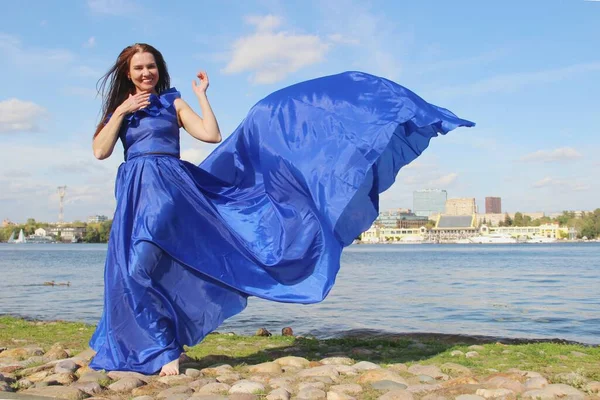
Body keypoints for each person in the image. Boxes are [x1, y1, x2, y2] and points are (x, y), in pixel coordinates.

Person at [89, 43, 474, 376]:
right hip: (134, 191)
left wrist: (201, 94)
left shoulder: (172, 101)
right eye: (139, 68)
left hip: (171, 190)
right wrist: (122, 112)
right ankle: (155, 342)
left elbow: (210, 135)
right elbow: (100, 151)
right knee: (133, 268)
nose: (146, 73)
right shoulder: (121, 109)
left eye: (151, 66)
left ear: (159, 69)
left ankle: (164, 349)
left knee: (143, 262)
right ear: (128, 73)